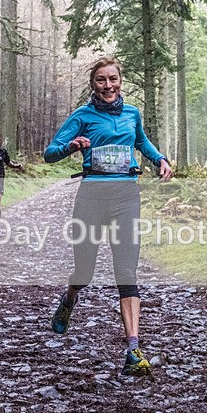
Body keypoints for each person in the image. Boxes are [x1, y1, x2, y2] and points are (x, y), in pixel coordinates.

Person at [44, 56, 173, 377]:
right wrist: (72, 145)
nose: (108, 85)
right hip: (91, 199)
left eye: (112, 79)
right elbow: (49, 153)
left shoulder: (132, 113)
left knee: (126, 271)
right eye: (101, 80)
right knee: (84, 272)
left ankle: (133, 349)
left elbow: (141, 141)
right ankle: (70, 297)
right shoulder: (82, 115)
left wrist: (160, 159)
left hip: (126, 198)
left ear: (120, 81)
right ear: (93, 85)